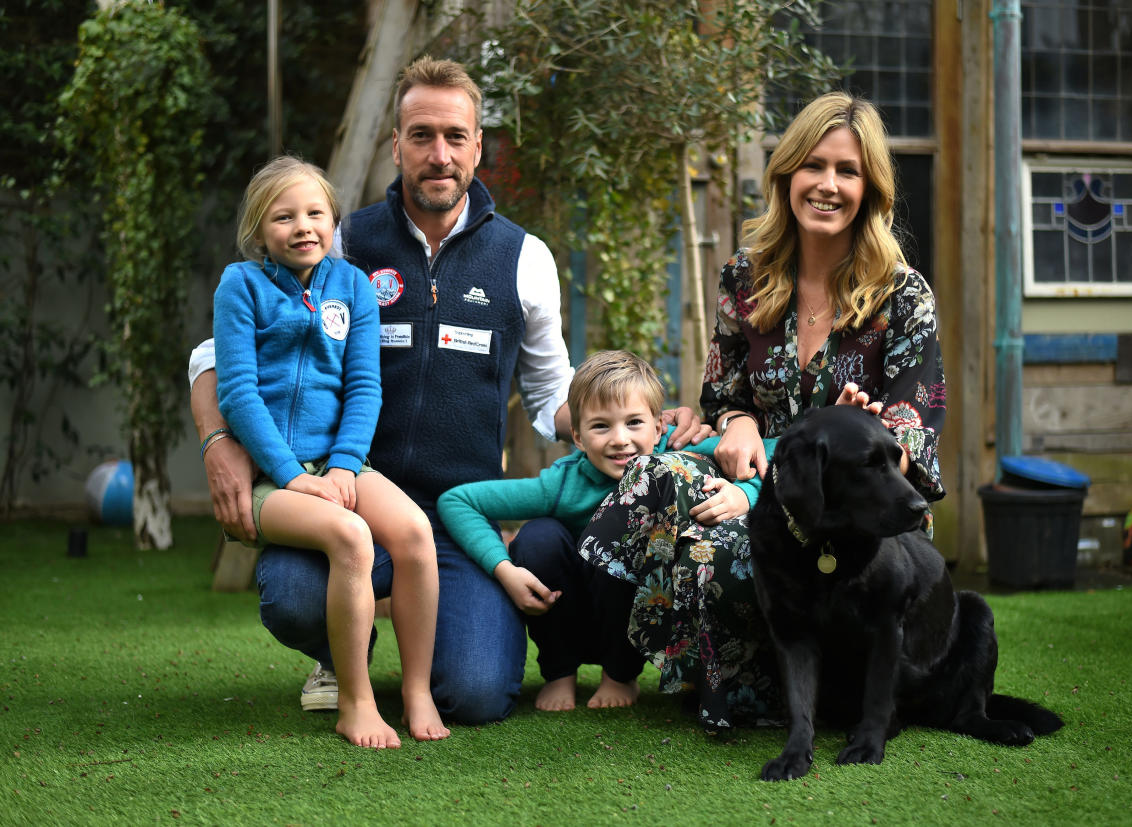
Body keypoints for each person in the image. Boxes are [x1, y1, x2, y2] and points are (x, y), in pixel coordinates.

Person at [189, 56, 700, 725]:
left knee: (480, 694)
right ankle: (343, 652)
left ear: (478, 145)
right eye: (421, 135)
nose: (438, 154)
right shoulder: (341, 240)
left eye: (455, 136)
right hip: (353, 494)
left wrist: (635, 421)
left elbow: (552, 393)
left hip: (458, 513)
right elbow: (216, 351)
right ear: (395, 143)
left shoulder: (524, 258)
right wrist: (217, 437)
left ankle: (429, 661)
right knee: (289, 595)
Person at [579, 92, 947, 731]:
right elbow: (722, 398)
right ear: (787, 174)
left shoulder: (903, 293)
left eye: (848, 171)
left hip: (858, 524)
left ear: (871, 188)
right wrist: (739, 421)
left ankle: (736, 690)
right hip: (753, 489)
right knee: (657, 472)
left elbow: (913, 432)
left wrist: (862, 427)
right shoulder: (744, 279)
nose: (827, 185)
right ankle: (616, 648)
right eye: (814, 166)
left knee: (716, 543)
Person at [211, 156, 447, 748]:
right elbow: (237, 393)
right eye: (283, 217)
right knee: (351, 537)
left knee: (416, 533)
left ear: (333, 221)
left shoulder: (352, 287)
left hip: (339, 461)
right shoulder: (240, 286)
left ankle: (416, 690)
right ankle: (356, 698)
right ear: (258, 229)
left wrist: (344, 463)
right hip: (272, 476)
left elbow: (365, 386)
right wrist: (291, 475)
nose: (302, 227)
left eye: (315, 212)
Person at [437, 350, 767, 712]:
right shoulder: (564, 483)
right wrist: (504, 568)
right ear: (577, 438)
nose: (620, 439)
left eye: (634, 423)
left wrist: (746, 493)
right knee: (538, 537)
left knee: (625, 539)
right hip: (571, 607)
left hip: (630, 615)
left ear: (659, 427)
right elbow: (457, 501)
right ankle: (560, 673)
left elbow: (776, 452)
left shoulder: (680, 453)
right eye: (600, 426)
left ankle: (619, 675)